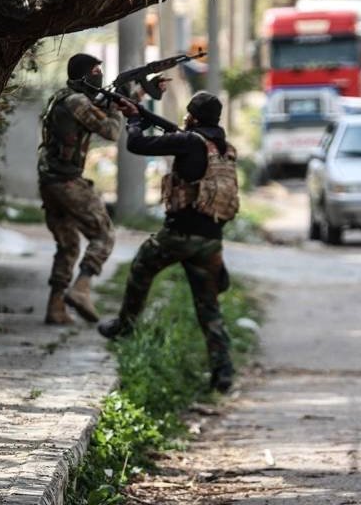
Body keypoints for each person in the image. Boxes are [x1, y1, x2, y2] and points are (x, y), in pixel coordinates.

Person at [98, 91, 240, 392]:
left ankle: (125, 325)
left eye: (188, 113)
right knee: (209, 307)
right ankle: (223, 372)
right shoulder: (223, 147)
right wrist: (145, 116)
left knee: (141, 266)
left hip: (179, 234)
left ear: (195, 117)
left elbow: (137, 144)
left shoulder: (190, 141)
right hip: (211, 239)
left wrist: (134, 119)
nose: (184, 118)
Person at [37, 54, 124, 325]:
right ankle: (81, 288)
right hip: (67, 182)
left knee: (68, 244)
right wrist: (118, 106)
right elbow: (111, 131)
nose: (100, 73)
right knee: (104, 234)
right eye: (96, 70)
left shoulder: (62, 97)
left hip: (49, 180)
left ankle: (55, 308)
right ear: (85, 75)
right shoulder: (77, 101)